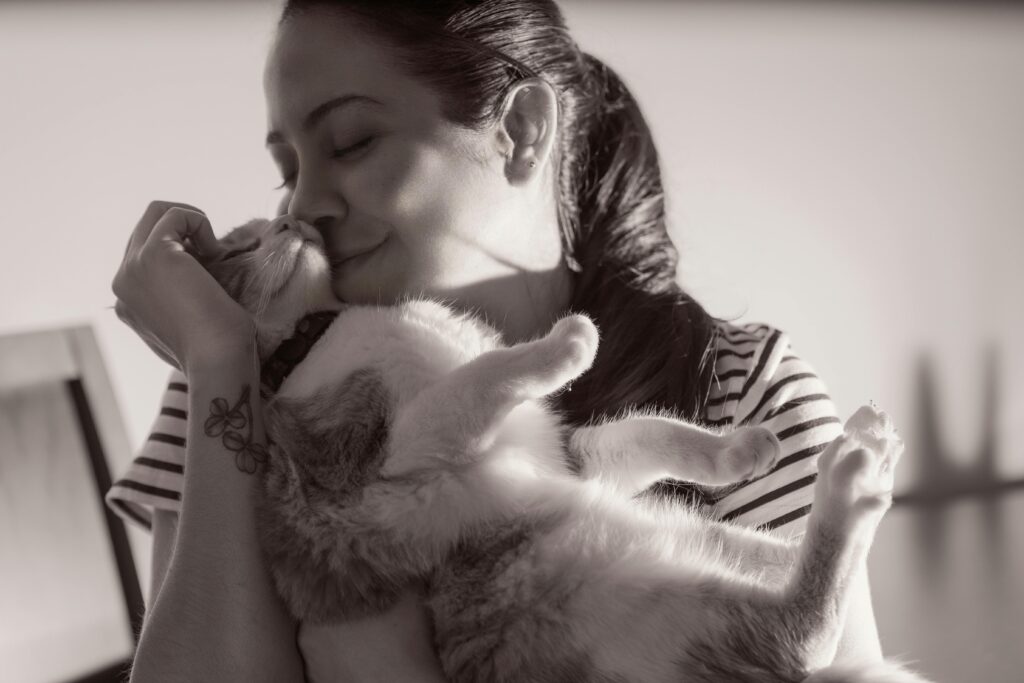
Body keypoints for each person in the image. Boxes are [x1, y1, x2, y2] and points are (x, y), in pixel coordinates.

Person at [109, 1, 883, 680]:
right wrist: (215, 364)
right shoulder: (236, 397)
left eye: (349, 143)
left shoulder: (741, 383)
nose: (304, 206)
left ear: (518, 130)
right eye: (286, 169)